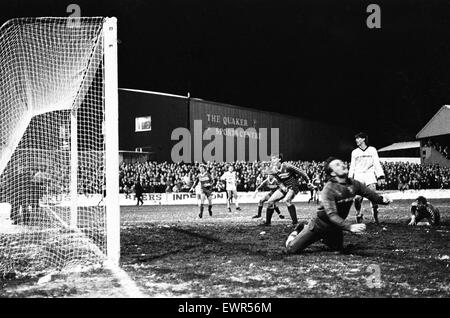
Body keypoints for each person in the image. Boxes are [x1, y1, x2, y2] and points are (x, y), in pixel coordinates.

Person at [285, 157, 392, 254]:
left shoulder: (355, 184)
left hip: (335, 227)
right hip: (319, 226)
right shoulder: (328, 189)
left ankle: (323, 237)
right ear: (332, 173)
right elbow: (332, 215)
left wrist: (383, 200)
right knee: (291, 249)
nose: (342, 165)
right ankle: (300, 228)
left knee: (337, 249)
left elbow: (371, 195)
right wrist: (349, 227)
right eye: (337, 165)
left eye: (341, 163)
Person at [262, 154, 311, 226]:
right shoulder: (273, 169)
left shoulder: (287, 165)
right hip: (284, 186)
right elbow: (279, 180)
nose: (272, 160)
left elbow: (301, 172)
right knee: (270, 201)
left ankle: (295, 222)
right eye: (272, 159)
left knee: (287, 200)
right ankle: (268, 223)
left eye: (274, 158)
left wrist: (308, 182)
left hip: (293, 186)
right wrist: (282, 187)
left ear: (279, 159)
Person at [348, 132, 386, 225]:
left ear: (363, 139)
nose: (356, 140)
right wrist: (349, 178)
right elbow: (352, 166)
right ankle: (358, 213)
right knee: (357, 198)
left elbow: (377, 163)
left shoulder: (372, 150)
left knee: (373, 198)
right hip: (358, 176)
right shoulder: (354, 152)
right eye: (356, 139)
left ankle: (375, 216)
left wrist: (381, 176)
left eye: (358, 138)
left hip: (370, 175)